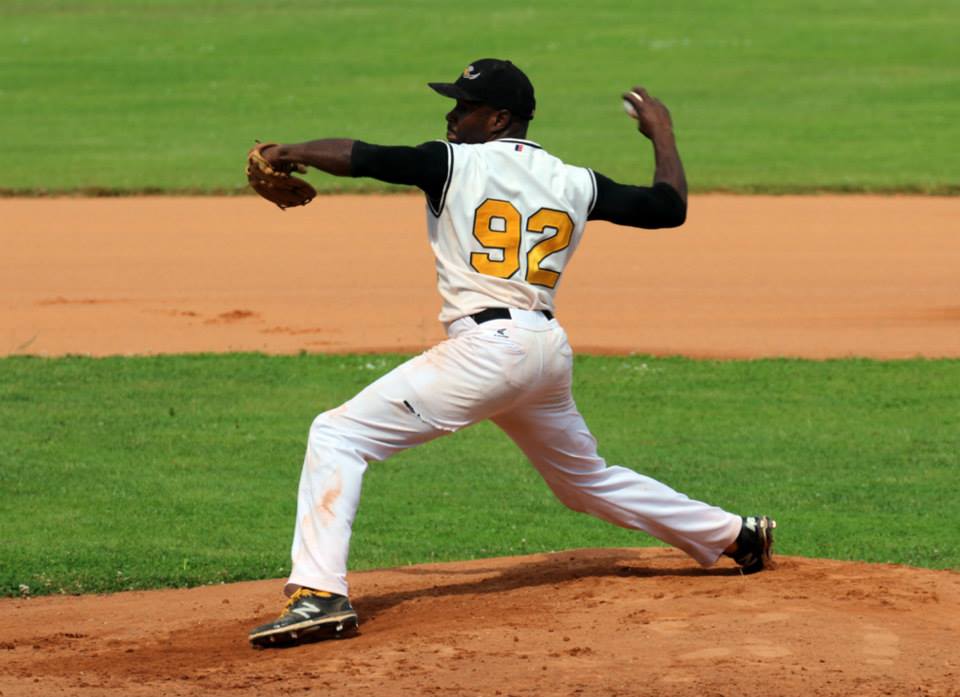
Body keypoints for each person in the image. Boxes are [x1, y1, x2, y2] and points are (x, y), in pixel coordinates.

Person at [247, 58, 775, 648]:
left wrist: (291, 149)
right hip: (543, 350)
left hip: (487, 352)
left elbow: (366, 157)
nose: (451, 114)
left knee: (338, 435)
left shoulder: (455, 163)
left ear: (498, 118)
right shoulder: (576, 180)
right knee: (583, 482)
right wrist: (664, 135)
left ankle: (319, 594)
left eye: (464, 106)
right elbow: (666, 208)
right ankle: (736, 536)